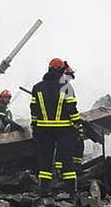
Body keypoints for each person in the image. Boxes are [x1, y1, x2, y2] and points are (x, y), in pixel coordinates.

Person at [30, 58, 83, 198]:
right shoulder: (66, 87)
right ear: (61, 71)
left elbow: (33, 110)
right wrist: (78, 126)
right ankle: (71, 191)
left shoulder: (37, 87)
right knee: (67, 159)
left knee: (45, 160)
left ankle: (44, 191)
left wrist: (35, 127)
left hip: (43, 130)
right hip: (64, 130)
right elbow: (72, 109)